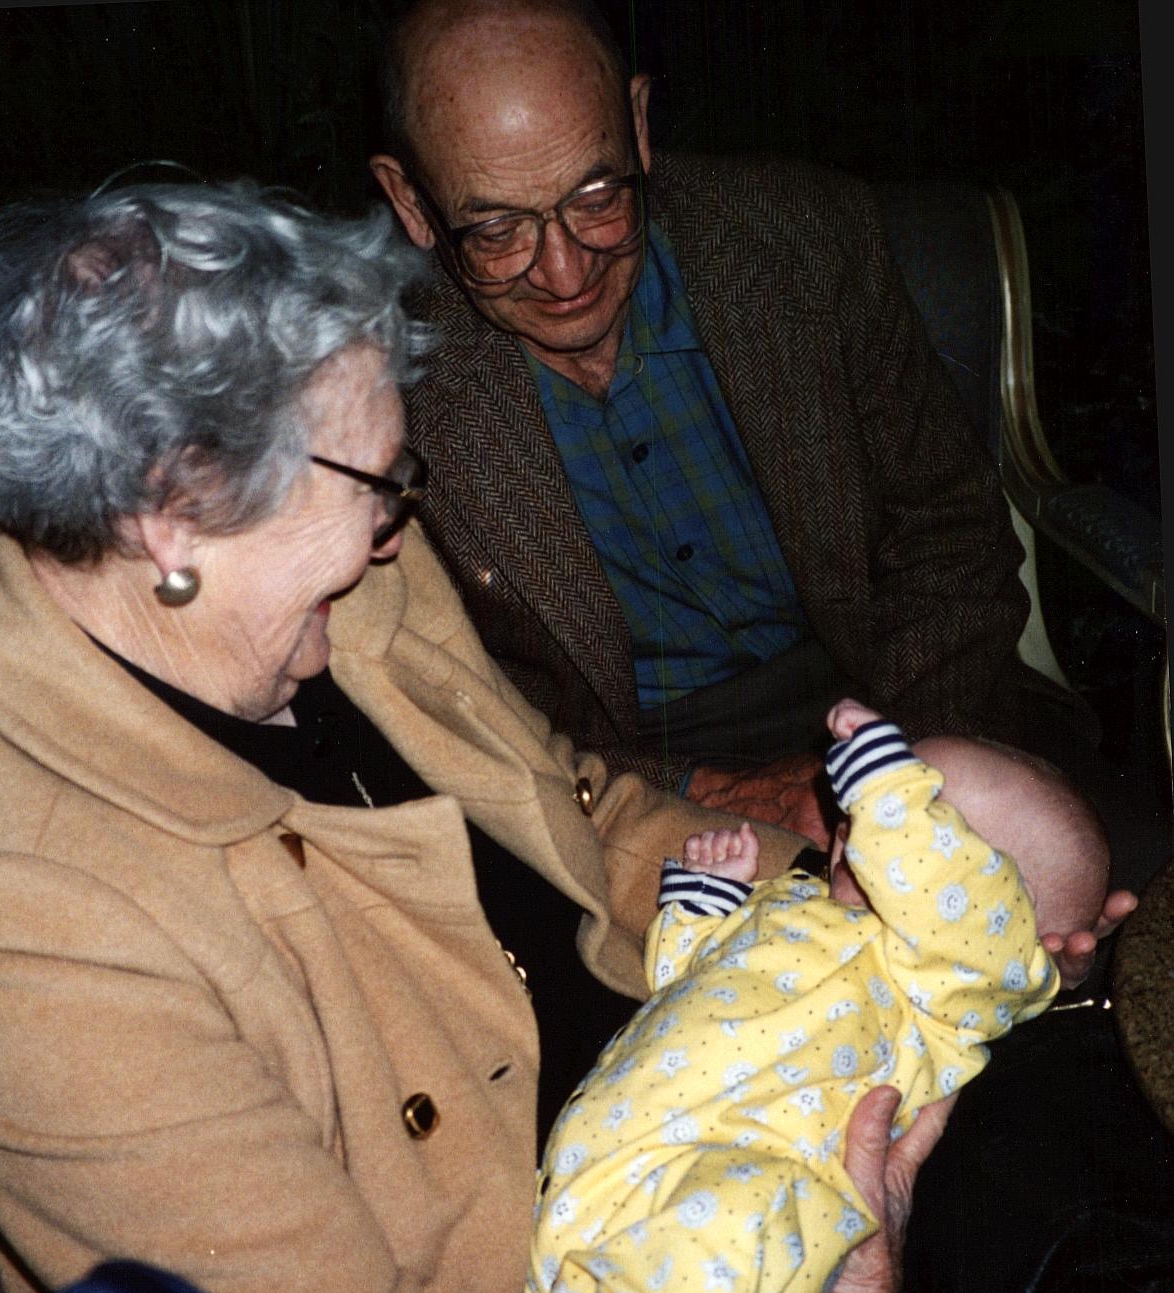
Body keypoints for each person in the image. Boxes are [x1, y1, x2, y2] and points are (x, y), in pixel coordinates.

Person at [0, 175, 975, 1293]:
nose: (402, 522)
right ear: (173, 508)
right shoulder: (29, 922)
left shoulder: (335, 590)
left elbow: (574, 805)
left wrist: (877, 902)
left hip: (692, 1094)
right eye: (374, 483)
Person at [367, 0, 1077, 844]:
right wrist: (696, 793)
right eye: (494, 229)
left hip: (902, 694)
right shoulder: (380, 382)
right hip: (619, 783)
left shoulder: (804, 240)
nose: (563, 273)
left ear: (637, 125)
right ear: (411, 203)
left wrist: (892, 775)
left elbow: (950, 535)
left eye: (597, 196)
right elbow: (446, 697)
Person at [518, 699, 1110, 1293]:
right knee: (570, 1291)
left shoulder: (949, 983)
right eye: (871, 801)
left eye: (922, 806)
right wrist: (703, 902)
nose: (859, 821)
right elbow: (686, 984)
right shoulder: (795, 904)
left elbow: (957, 904)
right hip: (613, 1154)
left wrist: (887, 787)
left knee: (700, 1267)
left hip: (755, 1180)